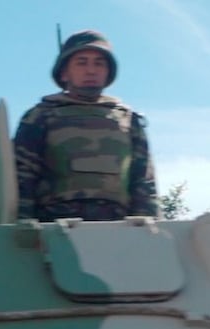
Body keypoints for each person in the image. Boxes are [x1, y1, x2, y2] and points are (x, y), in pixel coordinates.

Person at [14, 30, 158, 223]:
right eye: (81, 62)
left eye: (99, 63)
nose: (91, 70)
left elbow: (144, 181)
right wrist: (23, 226)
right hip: (56, 227)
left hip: (118, 228)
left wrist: (147, 226)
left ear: (108, 72)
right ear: (64, 72)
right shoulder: (41, 116)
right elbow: (22, 175)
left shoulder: (128, 119)